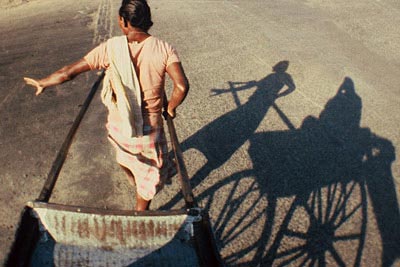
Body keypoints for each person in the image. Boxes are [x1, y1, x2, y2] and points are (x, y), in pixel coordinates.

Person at [23, 0, 189, 211]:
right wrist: (171, 107)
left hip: (121, 126)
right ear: (148, 21)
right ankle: (140, 212)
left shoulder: (111, 48)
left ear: (122, 21)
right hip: (151, 129)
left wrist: (43, 82)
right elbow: (181, 87)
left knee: (124, 156)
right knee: (149, 174)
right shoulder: (164, 48)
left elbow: (68, 72)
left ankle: (132, 175)